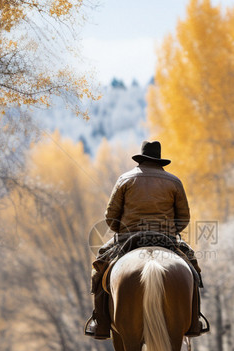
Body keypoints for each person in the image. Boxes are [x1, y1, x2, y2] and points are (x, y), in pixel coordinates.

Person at [84, 140, 205, 340]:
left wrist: (121, 230)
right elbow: (183, 219)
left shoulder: (125, 179)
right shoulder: (174, 181)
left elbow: (110, 216)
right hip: (165, 237)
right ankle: (194, 321)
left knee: (100, 267)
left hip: (128, 237)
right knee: (192, 268)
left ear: (140, 159)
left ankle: (101, 324)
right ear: (159, 160)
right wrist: (170, 230)